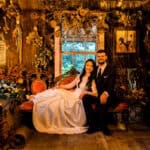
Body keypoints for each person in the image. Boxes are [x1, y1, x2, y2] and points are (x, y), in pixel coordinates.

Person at [29, 59, 98, 134]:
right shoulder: (80, 76)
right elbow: (70, 85)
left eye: (91, 66)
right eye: (87, 65)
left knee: (60, 101)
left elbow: (95, 93)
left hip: (79, 97)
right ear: (85, 66)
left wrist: (86, 92)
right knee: (56, 91)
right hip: (73, 94)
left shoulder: (93, 79)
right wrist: (61, 86)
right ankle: (36, 97)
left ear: (93, 68)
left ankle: (37, 98)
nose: (89, 67)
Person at [82, 50, 116, 135]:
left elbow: (111, 84)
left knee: (102, 103)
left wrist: (105, 94)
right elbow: (88, 79)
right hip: (96, 95)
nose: (100, 58)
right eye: (98, 56)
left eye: (102, 56)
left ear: (106, 57)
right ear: (97, 58)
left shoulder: (111, 68)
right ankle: (92, 125)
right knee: (85, 98)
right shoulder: (95, 68)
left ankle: (104, 126)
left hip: (107, 95)